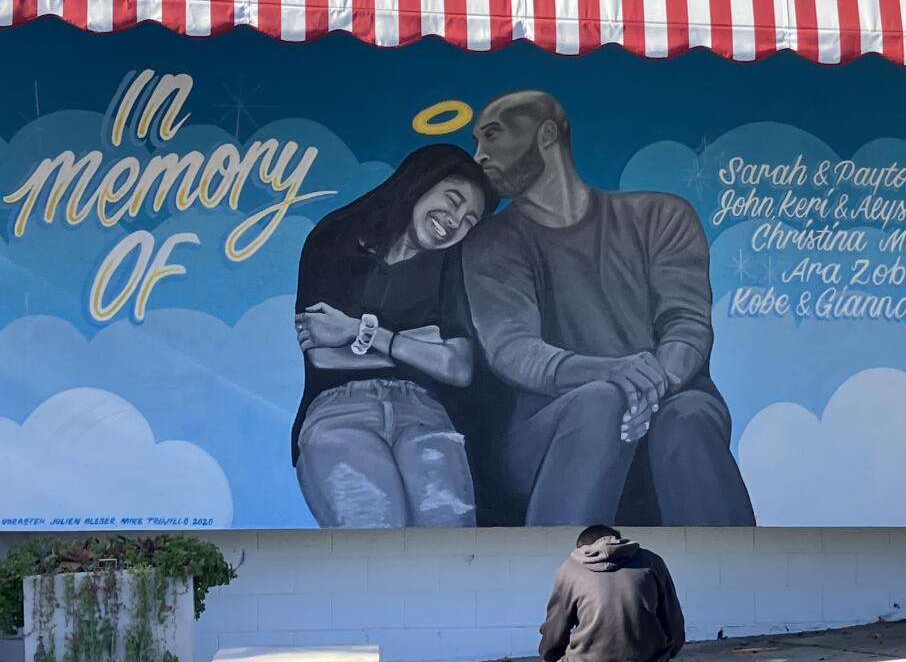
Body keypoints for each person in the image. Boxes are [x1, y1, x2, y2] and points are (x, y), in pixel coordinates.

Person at [462, 90, 755, 526]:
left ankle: (739, 584)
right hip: (546, 430)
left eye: (492, 136)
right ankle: (556, 584)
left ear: (546, 136)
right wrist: (612, 376)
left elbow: (686, 324)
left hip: (669, 409)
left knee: (688, 416)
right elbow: (512, 349)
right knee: (601, 400)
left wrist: (651, 387)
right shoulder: (491, 242)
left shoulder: (662, 216)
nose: (479, 156)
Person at [290, 144, 499, 528]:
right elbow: (321, 354)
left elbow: (458, 366)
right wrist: (420, 346)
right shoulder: (334, 238)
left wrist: (357, 331)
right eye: (452, 200)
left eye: (469, 220)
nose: (455, 221)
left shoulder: (453, 267)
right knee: (374, 531)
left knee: (449, 540)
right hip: (338, 411)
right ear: (420, 184)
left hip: (425, 414)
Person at [539, 525, 685, 662]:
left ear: (582, 548)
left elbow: (556, 628)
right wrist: (668, 653)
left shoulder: (571, 569)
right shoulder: (652, 562)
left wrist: (551, 655)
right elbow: (673, 619)